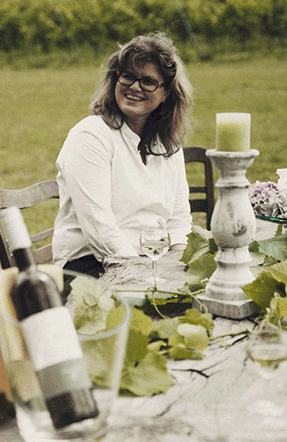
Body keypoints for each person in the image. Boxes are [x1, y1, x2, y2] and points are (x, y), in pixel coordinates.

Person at [52, 32, 193, 278]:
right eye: (128, 76)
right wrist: (145, 275)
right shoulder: (91, 136)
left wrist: (177, 267)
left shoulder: (168, 143)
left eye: (148, 81)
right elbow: (100, 230)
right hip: (90, 266)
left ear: (166, 93)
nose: (135, 87)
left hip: (152, 262)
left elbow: (179, 218)